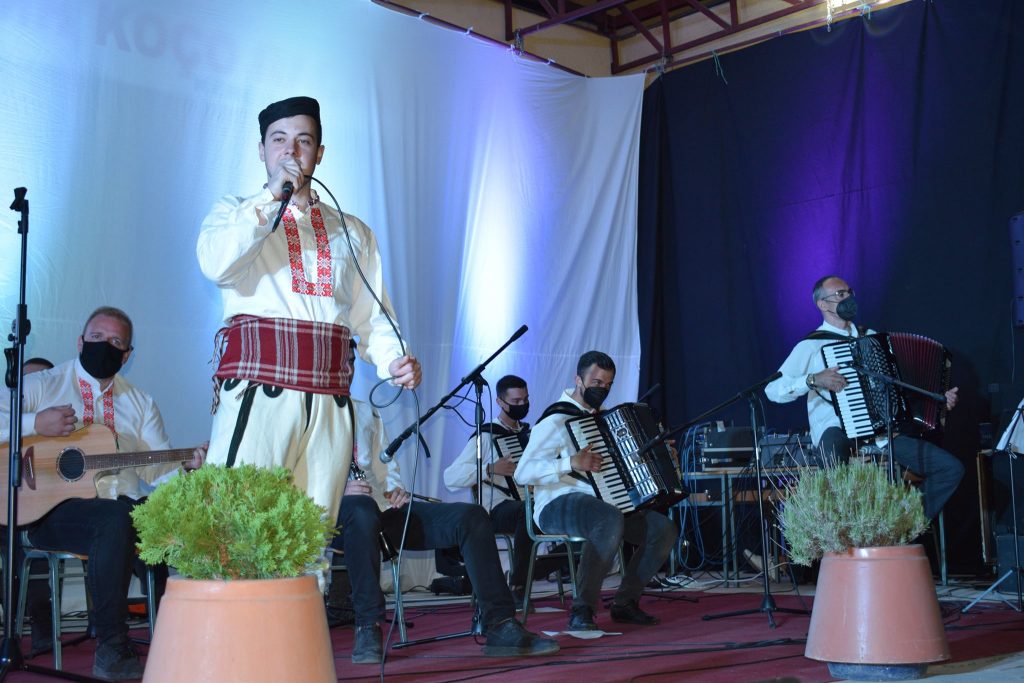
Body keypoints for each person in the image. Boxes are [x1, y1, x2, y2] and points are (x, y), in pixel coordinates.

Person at [196, 96, 420, 522]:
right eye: (279, 139)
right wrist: (270, 198)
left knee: (311, 535)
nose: (291, 151)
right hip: (260, 391)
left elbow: (371, 315)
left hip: (330, 404)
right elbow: (216, 264)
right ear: (261, 150)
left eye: (304, 141)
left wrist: (395, 360)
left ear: (319, 153)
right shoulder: (235, 212)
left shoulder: (352, 230)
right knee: (241, 526)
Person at [0, 306, 204, 681]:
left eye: (115, 341)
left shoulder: (140, 403)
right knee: (116, 520)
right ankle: (112, 646)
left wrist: (186, 467)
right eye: (96, 338)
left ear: (126, 355)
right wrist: (35, 422)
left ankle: (180, 637)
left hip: (121, 508)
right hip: (48, 512)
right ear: (80, 342)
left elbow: (156, 469)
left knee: (161, 517)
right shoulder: (44, 385)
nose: (104, 346)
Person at [332, 342, 558, 663]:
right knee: (360, 508)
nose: (347, 369)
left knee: (471, 516)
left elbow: (383, 467)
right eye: (339, 361)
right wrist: (339, 490)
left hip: (381, 510)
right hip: (332, 516)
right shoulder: (301, 411)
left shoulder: (365, 410)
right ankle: (367, 625)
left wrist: (394, 489)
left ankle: (500, 624)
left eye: (351, 361)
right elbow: (287, 476)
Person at [764, 275, 964, 520]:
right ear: (822, 304)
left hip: (881, 433)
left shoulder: (871, 336)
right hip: (836, 429)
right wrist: (813, 379)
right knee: (834, 466)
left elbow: (900, 384)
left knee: (950, 469)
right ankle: (845, 533)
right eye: (840, 295)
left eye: (850, 293)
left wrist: (936, 399)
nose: (848, 298)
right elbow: (773, 390)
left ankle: (901, 525)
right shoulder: (811, 345)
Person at [515, 351, 677, 631]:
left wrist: (661, 454)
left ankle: (625, 602)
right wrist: (570, 463)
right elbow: (522, 473)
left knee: (663, 530)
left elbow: (624, 466)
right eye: (596, 382)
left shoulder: (603, 420)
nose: (602, 389)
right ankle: (582, 609)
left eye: (608, 384)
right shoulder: (554, 420)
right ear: (578, 380)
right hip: (556, 504)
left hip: (604, 505)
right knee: (608, 518)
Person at [443, 374, 534, 602]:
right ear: (500, 402)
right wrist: (489, 469)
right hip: (496, 509)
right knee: (527, 512)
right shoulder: (486, 435)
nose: (522, 405)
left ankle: (536, 572)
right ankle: (518, 586)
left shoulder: (529, 434)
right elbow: (450, 477)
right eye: (516, 401)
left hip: (528, 504)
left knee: (563, 509)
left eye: (525, 400)